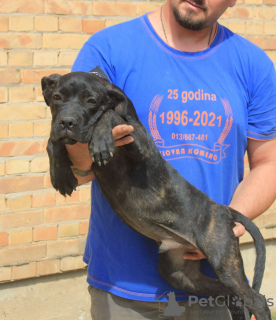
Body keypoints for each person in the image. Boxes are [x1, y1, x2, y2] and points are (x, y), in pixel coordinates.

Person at [66, 0, 276, 318]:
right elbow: (80, 174)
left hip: (213, 284)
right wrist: (86, 142)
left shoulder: (252, 64)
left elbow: (268, 163)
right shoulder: (109, 49)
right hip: (126, 289)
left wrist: (219, 228)